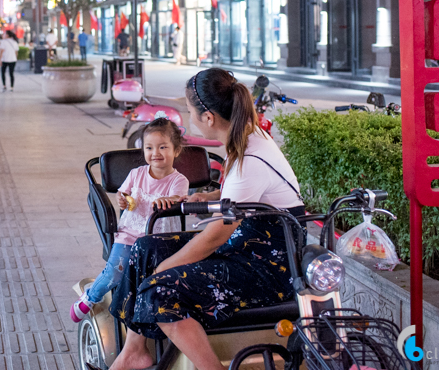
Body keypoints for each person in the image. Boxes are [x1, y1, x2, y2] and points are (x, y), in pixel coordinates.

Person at [107, 68, 304, 370]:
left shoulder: (247, 158)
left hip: (271, 263)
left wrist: (165, 269)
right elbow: (247, 195)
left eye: (188, 110)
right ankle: (135, 352)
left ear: (208, 117)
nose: (188, 116)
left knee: (160, 288)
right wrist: (210, 197)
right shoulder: (248, 137)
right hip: (251, 241)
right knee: (146, 248)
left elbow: (216, 236)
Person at [70, 117, 190, 324]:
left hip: (160, 238)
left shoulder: (179, 180)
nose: (156, 153)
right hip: (130, 234)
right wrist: (122, 200)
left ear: (176, 150)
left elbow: (177, 199)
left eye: (163, 147)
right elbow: (122, 194)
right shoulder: (137, 174)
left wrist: (167, 200)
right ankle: (91, 295)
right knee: (115, 272)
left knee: (163, 278)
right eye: (149, 148)